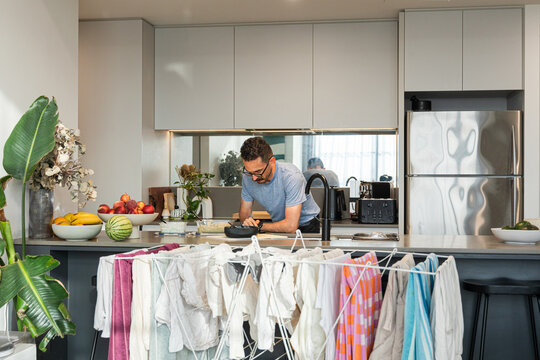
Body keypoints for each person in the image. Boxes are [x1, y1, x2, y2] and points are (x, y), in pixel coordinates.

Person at [239, 137, 321, 233]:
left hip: (307, 224)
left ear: (272, 162)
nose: (254, 178)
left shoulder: (291, 176)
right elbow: (245, 213)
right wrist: (248, 223)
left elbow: (290, 226)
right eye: (250, 172)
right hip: (281, 224)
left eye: (258, 171)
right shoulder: (247, 177)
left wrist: (258, 226)